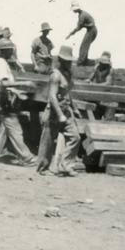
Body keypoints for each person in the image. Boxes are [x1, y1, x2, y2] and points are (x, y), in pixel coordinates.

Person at [37, 45, 81, 176]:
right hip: (53, 112)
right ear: (61, 60)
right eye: (66, 61)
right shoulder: (55, 75)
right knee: (48, 142)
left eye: (70, 61)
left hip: (65, 109)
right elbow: (52, 96)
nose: (69, 63)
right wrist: (60, 115)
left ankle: (65, 165)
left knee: (75, 137)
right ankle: (43, 169)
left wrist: (74, 107)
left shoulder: (68, 74)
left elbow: (67, 93)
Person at [66, 1, 97, 66]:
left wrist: (70, 34)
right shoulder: (82, 14)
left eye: (73, 9)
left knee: (84, 46)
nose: (73, 11)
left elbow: (79, 27)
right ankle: (85, 62)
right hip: (91, 30)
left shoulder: (82, 15)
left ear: (76, 9)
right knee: (85, 46)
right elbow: (80, 26)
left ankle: (80, 63)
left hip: (92, 30)